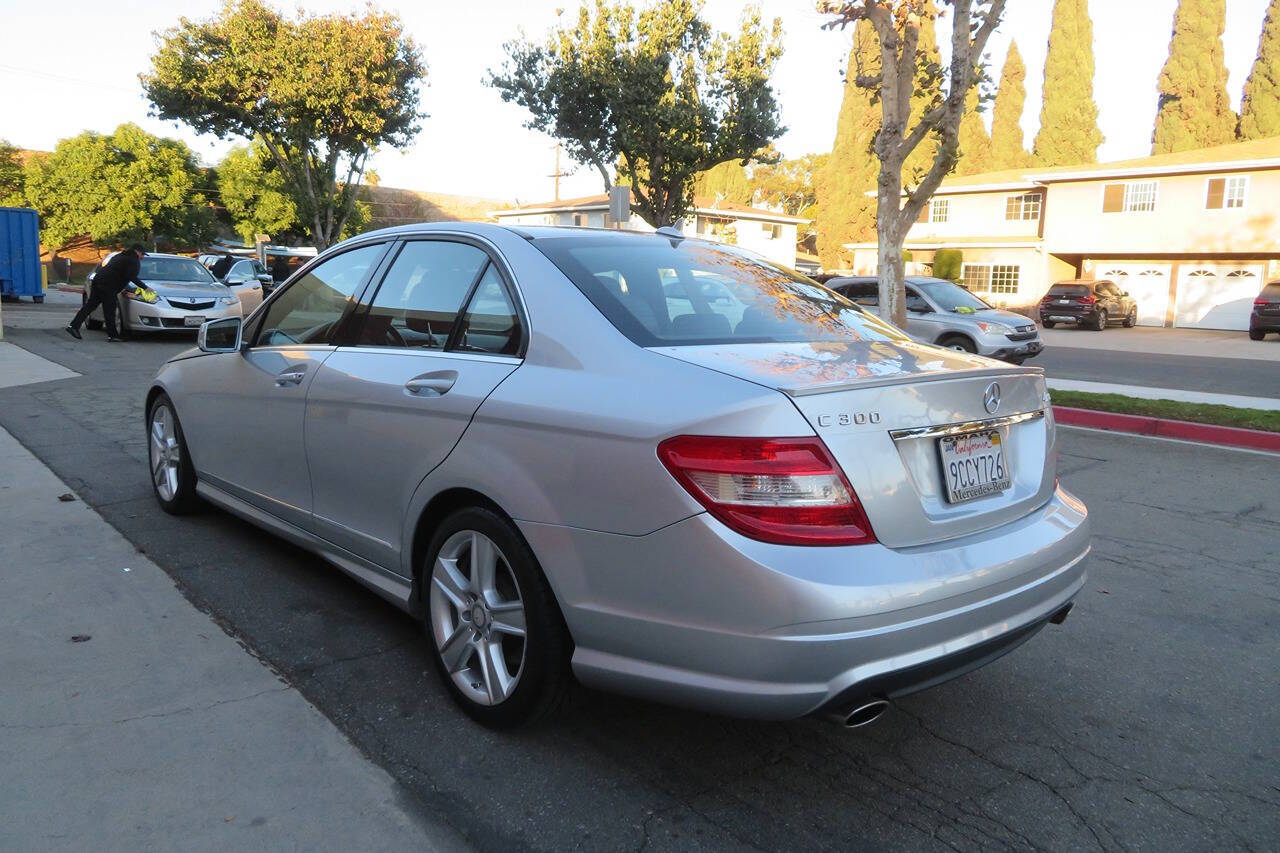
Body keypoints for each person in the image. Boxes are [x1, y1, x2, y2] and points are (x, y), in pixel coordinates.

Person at [65, 243, 147, 342]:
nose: (142, 257)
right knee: (110, 310)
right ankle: (112, 335)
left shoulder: (119, 256)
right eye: (142, 254)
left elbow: (119, 273)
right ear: (137, 252)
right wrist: (145, 288)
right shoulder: (133, 260)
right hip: (108, 285)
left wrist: (125, 288)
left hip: (98, 280)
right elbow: (130, 276)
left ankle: (73, 326)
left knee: (90, 305)